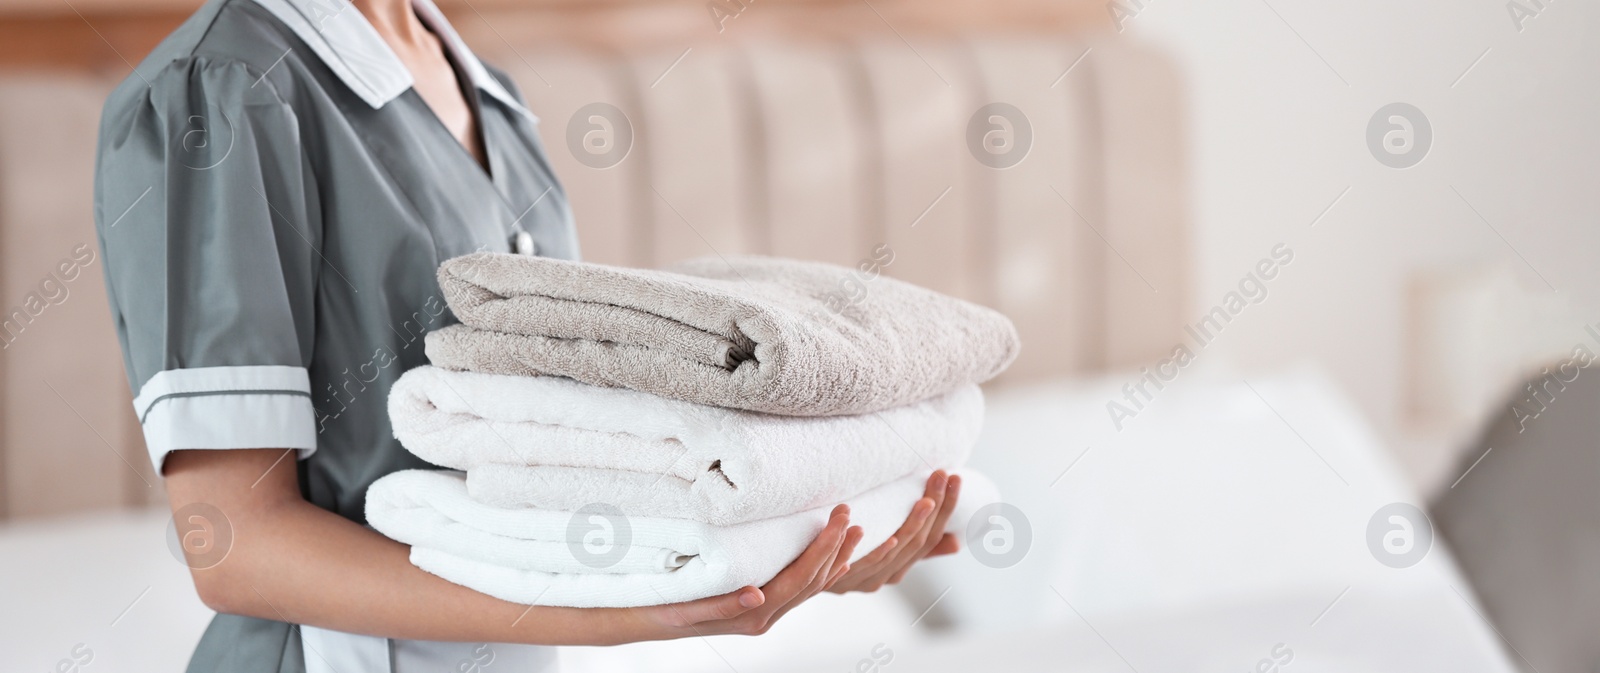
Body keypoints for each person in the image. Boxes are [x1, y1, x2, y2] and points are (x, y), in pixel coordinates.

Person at [92, 0, 963, 670]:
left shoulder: (486, 93)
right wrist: (623, 609)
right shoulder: (221, 93)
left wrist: (794, 533)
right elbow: (235, 542)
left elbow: (552, 449)